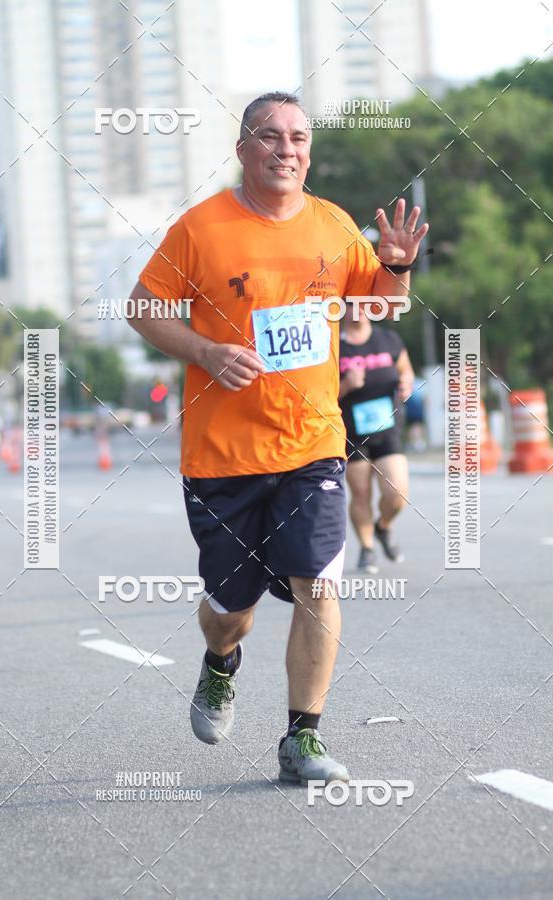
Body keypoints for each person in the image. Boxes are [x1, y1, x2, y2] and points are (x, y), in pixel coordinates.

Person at [128, 92, 428, 784]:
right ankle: (220, 662)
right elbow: (143, 307)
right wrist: (204, 351)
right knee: (231, 611)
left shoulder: (333, 224)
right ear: (243, 150)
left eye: (297, 137)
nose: (285, 148)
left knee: (319, 583)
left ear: (309, 152)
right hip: (223, 457)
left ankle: (303, 738)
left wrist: (398, 267)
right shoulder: (201, 228)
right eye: (269, 136)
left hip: (314, 444)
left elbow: (379, 305)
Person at [339, 303, 415, 574]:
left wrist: (407, 382)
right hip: (351, 433)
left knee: (397, 493)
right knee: (360, 493)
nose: (357, 311)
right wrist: (346, 385)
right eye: (350, 305)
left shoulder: (388, 339)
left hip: (387, 428)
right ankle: (368, 548)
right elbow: (320, 394)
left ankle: (383, 526)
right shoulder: (334, 346)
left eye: (362, 305)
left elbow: (405, 369)